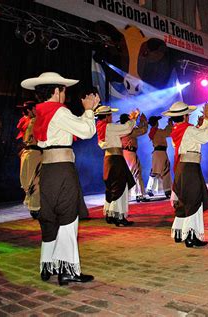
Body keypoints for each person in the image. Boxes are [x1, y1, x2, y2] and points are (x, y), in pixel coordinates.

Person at [21, 72, 97, 285]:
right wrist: (89, 111)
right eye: (63, 89)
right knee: (68, 215)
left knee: (50, 217)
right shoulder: (59, 111)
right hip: (63, 168)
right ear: (57, 90)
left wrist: (86, 112)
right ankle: (68, 269)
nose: (65, 94)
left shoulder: (40, 112)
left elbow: (70, 127)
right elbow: (86, 132)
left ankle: (48, 266)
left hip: (47, 168)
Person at [163, 101, 208, 247]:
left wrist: (205, 121)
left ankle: (179, 231)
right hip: (190, 167)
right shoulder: (188, 130)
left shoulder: (179, 129)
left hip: (183, 167)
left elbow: (198, 134)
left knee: (185, 199)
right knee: (194, 200)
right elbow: (207, 135)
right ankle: (190, 235)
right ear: (186, 116)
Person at [95, 105, 137, 227]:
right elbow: (127, 128)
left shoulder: (101, 127)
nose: (112, 117)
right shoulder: (109, 127)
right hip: (115, 158)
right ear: (107, 116)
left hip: (108, 158)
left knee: (111, 186)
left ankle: (110, 214)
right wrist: (133, 118)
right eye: (110, 115)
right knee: (120, 186)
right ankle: (119, 216)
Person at [16, 101, 42, 219]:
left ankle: (35, 207)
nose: (25, 112)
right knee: (25, 180)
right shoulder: (28, 120)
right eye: (24, 110)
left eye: (27, 109)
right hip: (27, 153)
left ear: (33, 109)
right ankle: (32, 204)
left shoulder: (39, 120)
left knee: (34, 180)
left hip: (36, 153)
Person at [120, 112, 149, 202]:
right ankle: (139, 194)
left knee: (129, 174)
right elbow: (143, 130)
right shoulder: (129, 130)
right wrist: (144, 121)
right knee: (136, 173)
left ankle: (128, 194)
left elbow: (139, 129)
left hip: (124, 152)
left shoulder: (121, 129)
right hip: (130, 152)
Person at [146, 115, 173, 199]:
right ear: (156, 123)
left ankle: (149, 188)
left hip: (157, 153)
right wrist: (170, 124)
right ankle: (167, 190)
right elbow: (168, 132)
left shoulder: (153, 131)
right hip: (161, 153)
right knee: (165, 170)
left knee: (155, 171)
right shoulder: (158, 131)